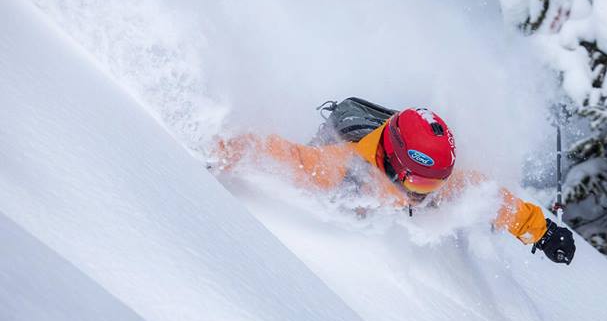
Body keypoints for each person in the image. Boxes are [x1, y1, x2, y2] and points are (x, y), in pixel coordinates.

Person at [213, 106, 576, 264]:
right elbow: (281, 155)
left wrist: (541, 232)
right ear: (395, 161)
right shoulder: (341, 170)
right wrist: (220, 148)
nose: (427, 194)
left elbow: (489, 198)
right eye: (420, 181)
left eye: (437, 184)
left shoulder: (431, 186)